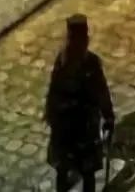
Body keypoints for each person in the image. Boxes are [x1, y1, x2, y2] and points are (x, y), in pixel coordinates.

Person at [45, 14, 115, 192]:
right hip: (79, 127)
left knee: (71, 170)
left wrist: (52, 116)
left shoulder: (68, 61)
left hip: (73, 127)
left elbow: (53, 93)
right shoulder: (84, 62)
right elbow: (100, 91)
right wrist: (108, 116)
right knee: (82, 171)